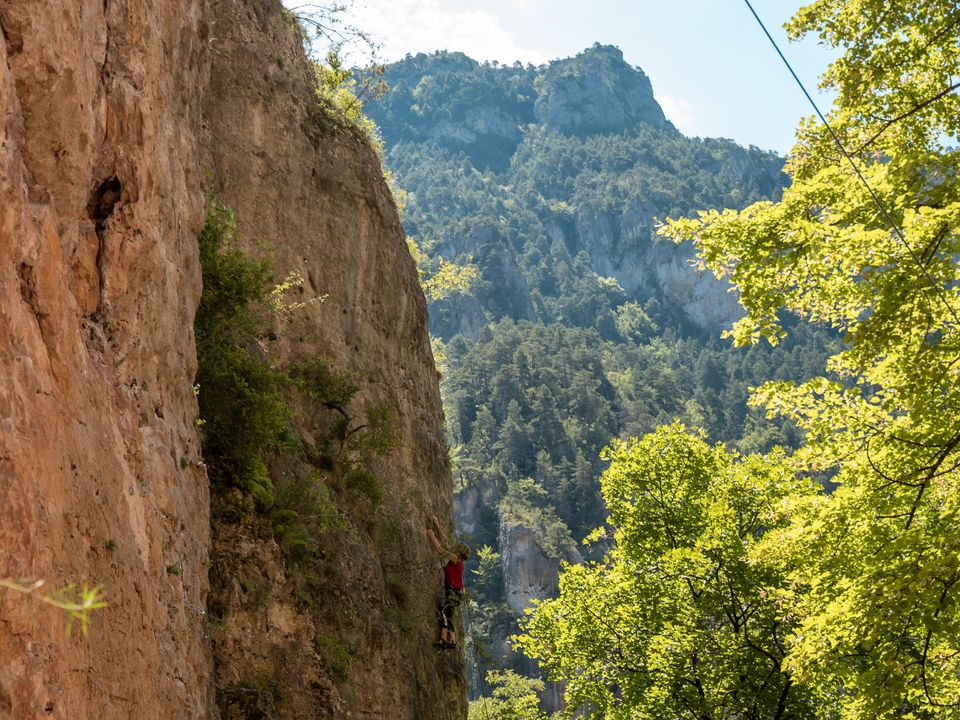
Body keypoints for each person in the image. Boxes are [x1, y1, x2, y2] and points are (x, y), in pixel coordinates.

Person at [426, 513, 470, 649]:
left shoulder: (455, 559)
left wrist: (431, 536)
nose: (454, 547)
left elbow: (440, 550)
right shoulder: (458, 560)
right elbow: (445, 541)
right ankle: (453, 641)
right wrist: (437, 524)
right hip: (457, 592)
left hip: (454, 591)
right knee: (448, 613)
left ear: (459, 552)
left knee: (443, 611)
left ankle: (444, 639)